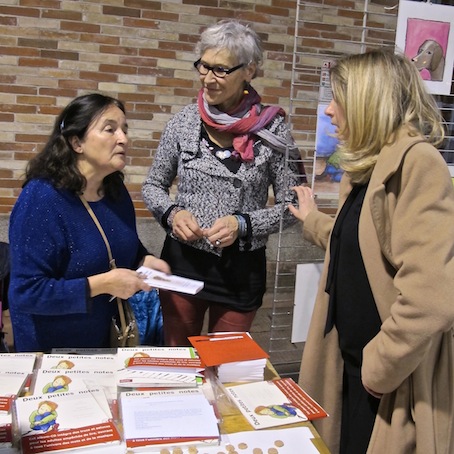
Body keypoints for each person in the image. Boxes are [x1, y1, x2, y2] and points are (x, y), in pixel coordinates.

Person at [289, 49, 454, 453]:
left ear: (368, 101)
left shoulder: (417, 164)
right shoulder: (368, 169)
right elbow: (361, 245)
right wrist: (313, 220)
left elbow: (432, 297)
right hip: (352, 370)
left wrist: (379, 368)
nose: (328, 111)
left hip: (387, 387)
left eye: (337, 99)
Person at [142, 19, 303, 346]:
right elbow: (153, 186)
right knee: (178, 359)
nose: (208, 78)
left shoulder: (273, 131)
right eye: (203, 66)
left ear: (250, 70)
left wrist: (242, 224)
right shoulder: (183, 123)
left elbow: (295, 205)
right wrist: (172, 214)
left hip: (240, 270)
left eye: (221, 70)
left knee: (225, 364)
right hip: (182, 263)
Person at [8, 93, 170, 352]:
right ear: (76, 142)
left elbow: (121, 246)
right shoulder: (41, 200)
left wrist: (145, 260)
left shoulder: (115, 192)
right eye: (110, 129)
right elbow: (26, 293)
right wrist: (103, 284)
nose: (123, 139)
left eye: (124, 130)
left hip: (107, 342)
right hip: (55, 352)